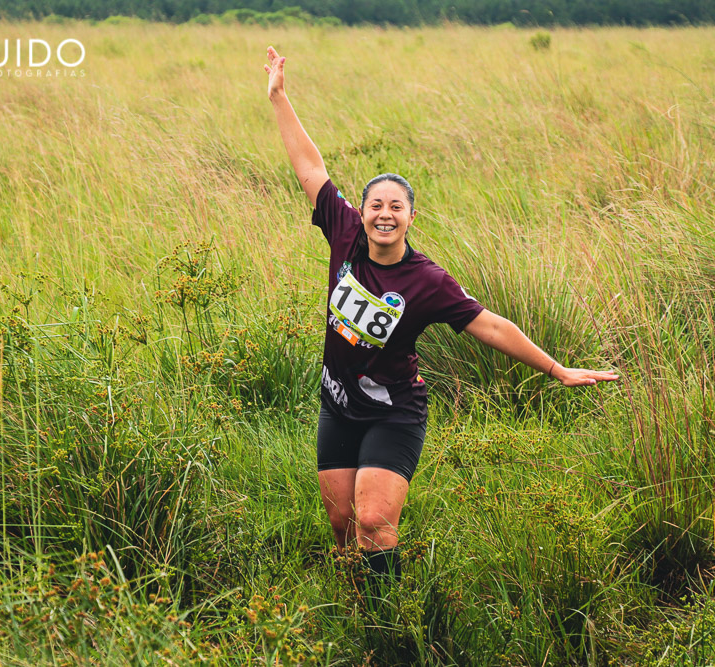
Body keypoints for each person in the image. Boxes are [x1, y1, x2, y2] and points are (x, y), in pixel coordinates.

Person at [264, 46, 619, 589]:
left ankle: (391, 624)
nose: (384, 215)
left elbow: (492, 325)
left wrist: (557, 370)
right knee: (340, 525)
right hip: (336, 401)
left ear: (410, 216)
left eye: (396, 207)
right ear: (362, 212)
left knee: (373, 523)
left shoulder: (427, 281)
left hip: (393, 411)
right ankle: (352, 601)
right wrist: (279, 97)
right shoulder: (344, 232)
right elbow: (310, 166)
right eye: (376, 205)